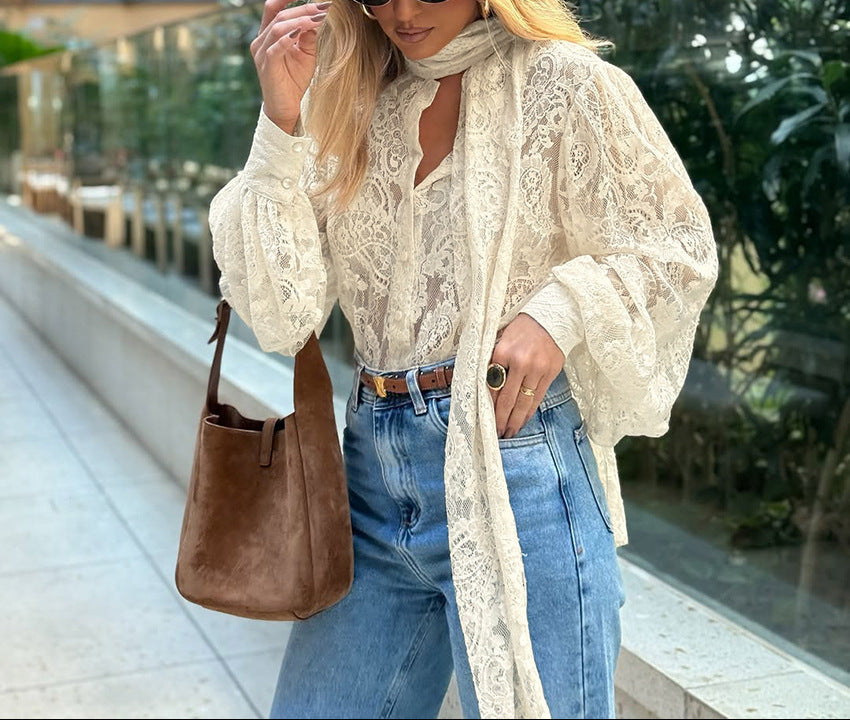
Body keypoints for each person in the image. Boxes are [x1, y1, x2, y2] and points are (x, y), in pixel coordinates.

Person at [209, 0, 718, 717]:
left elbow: (678, 246)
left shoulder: (565, 82)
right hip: (369, 484)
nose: (402, 11)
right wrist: (280, 122)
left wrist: (558, 312)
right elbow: (283, 315)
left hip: (516, 471)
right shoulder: (350, 100)